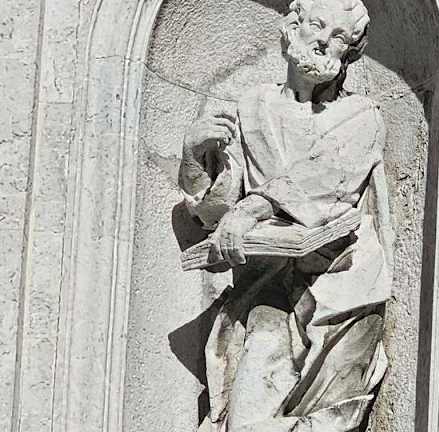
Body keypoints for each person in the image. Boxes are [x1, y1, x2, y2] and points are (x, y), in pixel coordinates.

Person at [177, 1, 394, 431]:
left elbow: (328, 180)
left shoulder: (361, 116)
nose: (323, 40)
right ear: (292, 27)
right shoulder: (253, 107)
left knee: (330, 417)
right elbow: (216, 212)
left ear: (349, 51)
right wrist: (195, 158)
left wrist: (252, 208)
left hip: (342, 286)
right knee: (246, 414)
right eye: (316, 25)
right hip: (268, 285)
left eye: (339, 36)